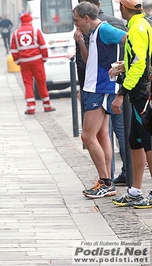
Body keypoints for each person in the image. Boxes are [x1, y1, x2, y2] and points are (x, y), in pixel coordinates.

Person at [73, 2, 127, 198]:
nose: (76, 24)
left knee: (87, 136)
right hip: (94, 87)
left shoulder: (104, 29)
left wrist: (124, 65)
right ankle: (106, 180)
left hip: (101, 88)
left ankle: (105, 182)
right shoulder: (94, 33)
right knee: (103, 136)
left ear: (87, 18)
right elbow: (92, 62)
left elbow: (128, 39)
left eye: (77, 20)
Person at [111, 0, 152, 208]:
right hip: (142, 89)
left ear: (123, 8)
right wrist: (122, 66)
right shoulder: (143, 24)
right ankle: (135, 191)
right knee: (135, 141)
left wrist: (121, 93)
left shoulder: (137, 27)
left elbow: (139, 64)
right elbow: (141, 58)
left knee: (148, 141)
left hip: (141, 93)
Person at [10, 13, 55, 114]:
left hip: (24, 62)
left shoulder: (16, 33)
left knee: (28, 84)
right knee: (41, 82)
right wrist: (44, 58)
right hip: (37, 61)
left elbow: (13, 49)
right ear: (30, 21)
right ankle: (47, 106)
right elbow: (43, 46)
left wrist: (18, 61)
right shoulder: (35, 31)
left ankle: (30, 108)